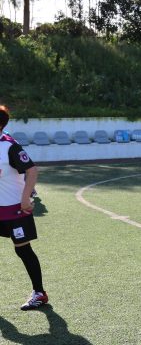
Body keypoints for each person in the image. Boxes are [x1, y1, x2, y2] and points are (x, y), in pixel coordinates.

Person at [0, 105, 48, 310]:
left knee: (23, 250)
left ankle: (39, 293)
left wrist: (26, 198)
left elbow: (32, 170)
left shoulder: (10, 147)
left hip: (15, 211)